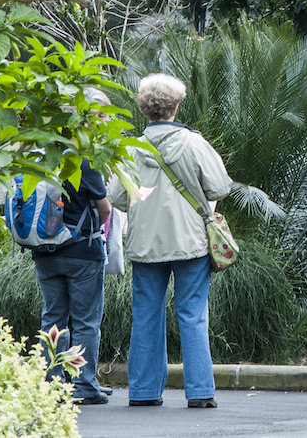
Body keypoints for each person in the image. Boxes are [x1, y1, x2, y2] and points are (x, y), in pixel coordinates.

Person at [107, 73, 233, 410]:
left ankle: (144, 391)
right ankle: (201, 392)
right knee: (193, 314)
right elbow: (220, 187)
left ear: (145, 109)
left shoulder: (130, 149)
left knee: (146, 314)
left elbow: (115, 197)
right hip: (191, 241)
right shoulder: (194, 143)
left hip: (145, 245)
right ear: (176, 105)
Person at [31, 88, 113, 406]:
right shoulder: (84, 158)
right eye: (102, 117)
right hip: (82, 252)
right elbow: (104, 209)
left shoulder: (43, 154)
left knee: (52, 318)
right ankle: (82, 385)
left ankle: (52, 382)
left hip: (45, 252)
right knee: (85, 322)